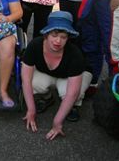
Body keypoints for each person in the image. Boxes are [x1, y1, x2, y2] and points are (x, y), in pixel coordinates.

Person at [22, 11, 92, 141]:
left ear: (68, 37)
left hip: (73, 76)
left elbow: (72, 92)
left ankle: (73, 106)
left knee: (69, 94)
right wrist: (30, 110)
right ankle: (47, 97)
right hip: (49, 73)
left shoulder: (75, 54)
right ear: (46, 34)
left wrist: (57, 122)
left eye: (63, 36)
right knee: (32, 82)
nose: (58, 41)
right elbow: (25, 80)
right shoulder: (34, 45)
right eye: (54, 35)